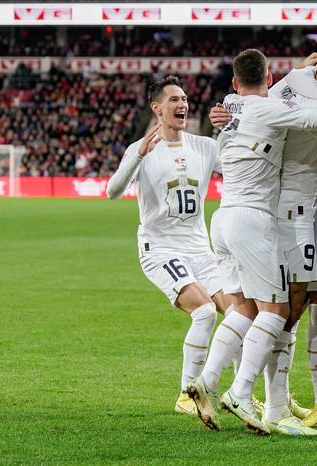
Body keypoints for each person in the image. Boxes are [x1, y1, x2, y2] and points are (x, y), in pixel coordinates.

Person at [186, 49, 317, 436]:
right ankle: (263, 402)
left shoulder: (261, 95)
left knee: (245, 309)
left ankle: (208, 383)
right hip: (280, 218)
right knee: (282, 312)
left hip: (228, 216)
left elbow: (252, 100)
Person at [106, 76, 235, 420]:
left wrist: (231, 128)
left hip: (201, 249)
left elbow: (238, 168)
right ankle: (186, 394)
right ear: (157, 108)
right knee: (205, 312)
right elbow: (112, 191)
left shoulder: (204, 146)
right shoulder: (141, 149)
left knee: (239, 317)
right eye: (174, 100)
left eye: (184, 99)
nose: (182, 105)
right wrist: (138, 157)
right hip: (160, 250)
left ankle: (241, 394)